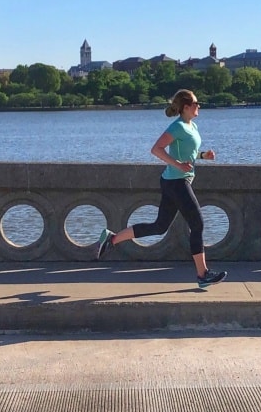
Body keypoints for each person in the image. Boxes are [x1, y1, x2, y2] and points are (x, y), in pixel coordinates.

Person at [95, 89, 227, 290]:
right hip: (177, 182)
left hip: (174, 181)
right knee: (197, 224)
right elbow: (156, 149)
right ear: (186, 107)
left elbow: (187, 152)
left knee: (159, 226)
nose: (199, 106)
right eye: (195, 103)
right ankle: (203, 274)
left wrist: (202, 156)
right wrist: (178, 165)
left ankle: (112, 239)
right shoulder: (177, 126)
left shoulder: (192, 126)